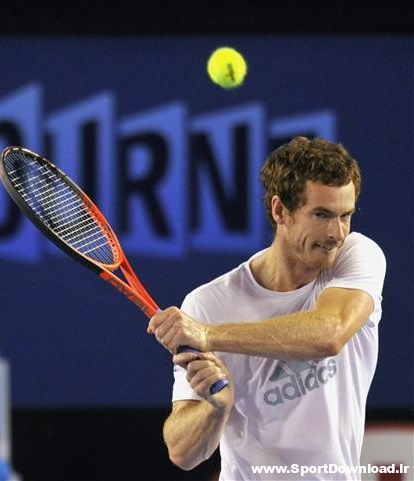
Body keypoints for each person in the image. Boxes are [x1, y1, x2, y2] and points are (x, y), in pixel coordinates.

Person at [147, 137, 386, 480]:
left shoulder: (357, 255)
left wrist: (209, 336)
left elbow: (329, 334)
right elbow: (183, 453)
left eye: (345, 216)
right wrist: (216, 408)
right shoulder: (208, 303)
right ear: (280, 211)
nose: (336, 233)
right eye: (321, 215)